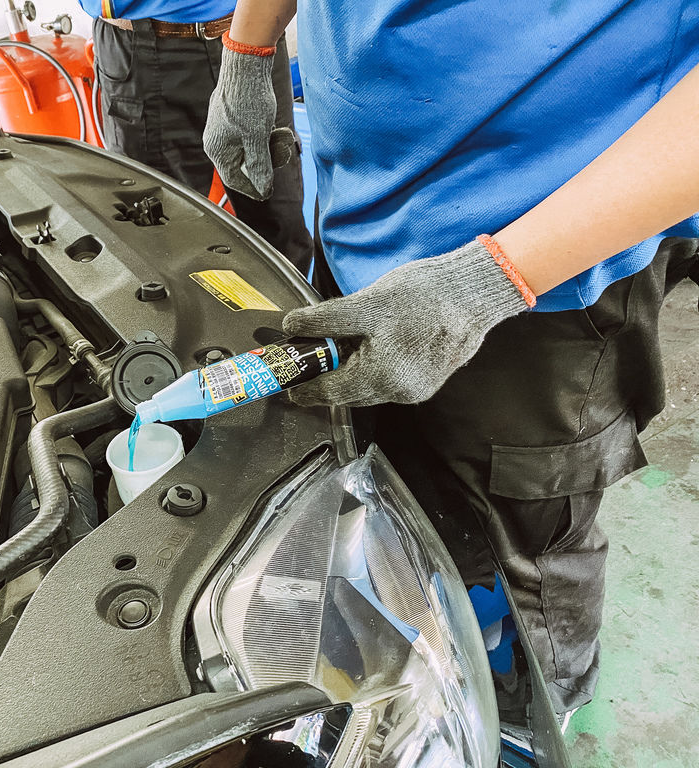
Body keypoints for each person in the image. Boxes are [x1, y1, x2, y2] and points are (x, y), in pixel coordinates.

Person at [203, 0, 699, 725]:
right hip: (357, 221)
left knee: (522, 555)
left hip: (542, 285)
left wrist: (488, 282)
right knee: (385, 499)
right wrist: (248, 50)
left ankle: (533, 717)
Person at [78, 0, 313, 274]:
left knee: (282, 233)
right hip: (144, 46)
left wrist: (249, 52)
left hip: (258, 29)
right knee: (162, 243)